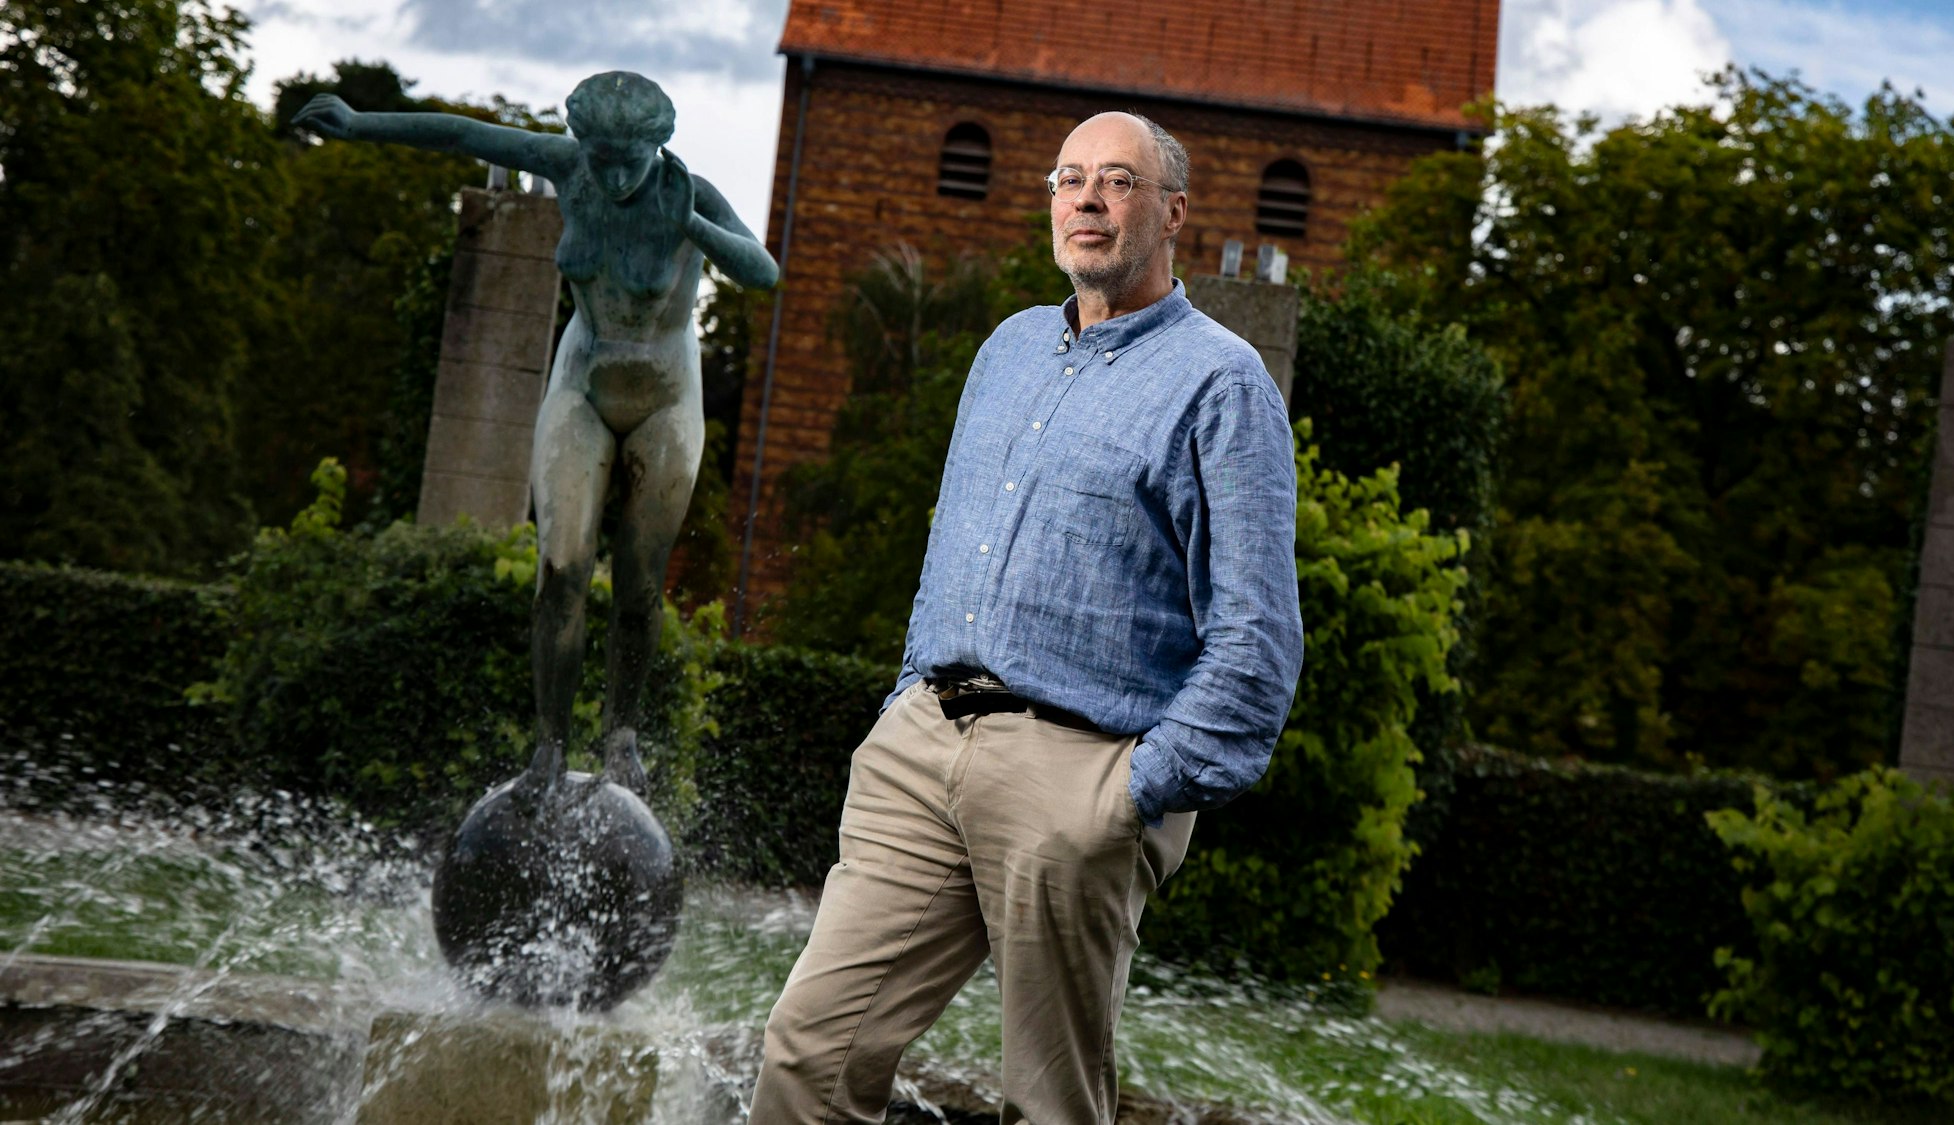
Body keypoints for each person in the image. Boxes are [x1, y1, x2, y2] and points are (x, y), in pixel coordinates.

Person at [749, 111, 1304, 1124]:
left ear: (1172, 212)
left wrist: (1130, 795)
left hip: (1078, 776)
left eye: (1118, 181)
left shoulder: (1222, 384)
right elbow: (953, 545)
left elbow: (1255, 638)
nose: (1086, 198)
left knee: (1047, 1105)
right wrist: (903, 701)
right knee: (808, 1053)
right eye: (1068, 177)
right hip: (924, 746)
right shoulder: (1006, 350)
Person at [293, 73, 779, 807]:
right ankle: (549, 744)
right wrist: (361, 124)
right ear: (583, 145)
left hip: (665, 398)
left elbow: (763, 272)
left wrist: (692, 226)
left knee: (640, 583)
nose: (614, 176)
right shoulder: (567, 167)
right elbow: (464, 134)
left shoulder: (690, 194)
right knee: (562, 566)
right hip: (583, 383)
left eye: (630, 161)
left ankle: (621, 734)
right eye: (601, 158)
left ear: (657, 147)